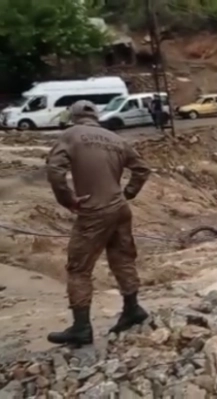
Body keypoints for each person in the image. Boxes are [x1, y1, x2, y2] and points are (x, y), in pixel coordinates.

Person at [45, 100, 152, 346]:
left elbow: (55, 171)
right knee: (123, 259)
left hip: (94, 211)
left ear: (73, 116)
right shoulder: (115, 139)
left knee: (79, 268)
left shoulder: (71, 135)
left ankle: (81, 328)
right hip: (120, 208)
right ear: (96, 115)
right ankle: (132, 309)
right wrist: (128, 193)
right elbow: (142, 169)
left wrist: (68, 199)